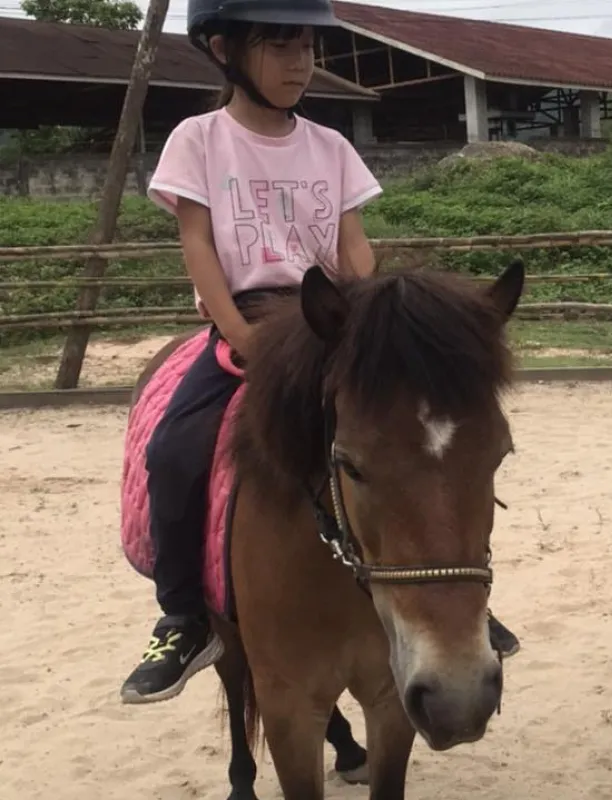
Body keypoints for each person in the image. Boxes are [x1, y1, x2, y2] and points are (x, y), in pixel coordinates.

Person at [120, 0, 518, 705]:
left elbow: (353, 245)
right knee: (176, 449)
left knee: (427, 444)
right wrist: (239, 336)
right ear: (224, 50)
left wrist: (366, 323)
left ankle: (454, 599)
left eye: (306, 46)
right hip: (248, 317)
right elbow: (198, 245)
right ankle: (183, 616)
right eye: (280, 45)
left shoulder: (330, 145)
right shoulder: (199, 139)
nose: (300, 62)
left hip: (333, 318)